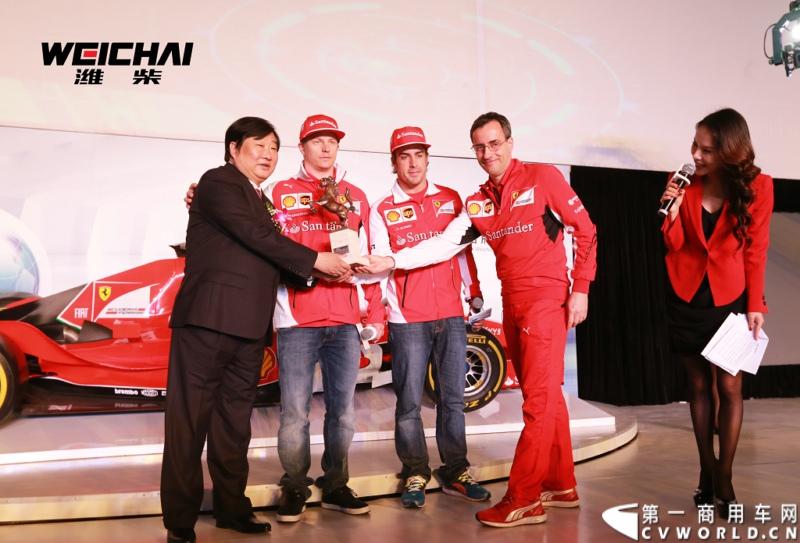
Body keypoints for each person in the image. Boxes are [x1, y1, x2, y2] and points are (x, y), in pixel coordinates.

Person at [359, 112, 597, 528]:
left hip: (546, 299)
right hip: (513, 300)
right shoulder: (479, 201)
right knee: (545, 397)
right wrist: (391, 260)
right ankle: (560, 485)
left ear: (510, 142)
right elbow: (444, 244)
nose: (488, 153)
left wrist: (581, 288)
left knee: (538, 403)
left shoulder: (543, 177)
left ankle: (524, 498)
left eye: (495, 143)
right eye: (480, 147)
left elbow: (586, 228)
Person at [161, 116, 351, 543]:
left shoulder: (261, 199)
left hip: (248, 329)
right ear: (234, 149)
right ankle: (180, 521)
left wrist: (319, 272)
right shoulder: (218, 183)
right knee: (188, 425)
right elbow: (256, 237)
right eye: (258, 145)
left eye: (274, 147)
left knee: (233, 426)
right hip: (207, 323)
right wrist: (315, 262)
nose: (268, 154)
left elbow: (266, 253)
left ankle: (231, 508)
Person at [266, 114, 380, 522]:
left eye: (332, 140)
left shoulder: (356, 196)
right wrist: (317, 267)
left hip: (345, 319)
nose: (326, 147)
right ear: (302, 147)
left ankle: (335, 484)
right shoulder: (280, 192)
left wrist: (372, 311)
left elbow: (371, 259)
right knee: (295, 413)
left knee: (343, 412)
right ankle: (295, 485)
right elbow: (274, 251)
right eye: (317, 140)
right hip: (297, 320)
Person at [368, 126, 490, 508]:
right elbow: (381, 265)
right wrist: (377, 312)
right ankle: (415, 471)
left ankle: (456, 470)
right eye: (404, 156)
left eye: (419, 155)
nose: (413, 163)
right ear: (394, 163)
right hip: (408, 319)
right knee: (408, 402)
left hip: (451, 313)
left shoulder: (451, 199)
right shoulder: (381, 209)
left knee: (452, 399)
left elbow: (461, 250)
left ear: (427, 158)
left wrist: (473, 290)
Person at [660, 108, 773, 520]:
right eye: (695, 145)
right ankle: (706, 471)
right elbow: (674, 245)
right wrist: (672, 212)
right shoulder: (681, 182)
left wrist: (756, 304)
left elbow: (757, 250)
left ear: (729, 150)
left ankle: (724, 477)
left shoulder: (759, 186)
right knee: (698, 387)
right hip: (687, 295)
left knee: (729, 387)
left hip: (731, 297)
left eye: (706, 149)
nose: (696, 154)